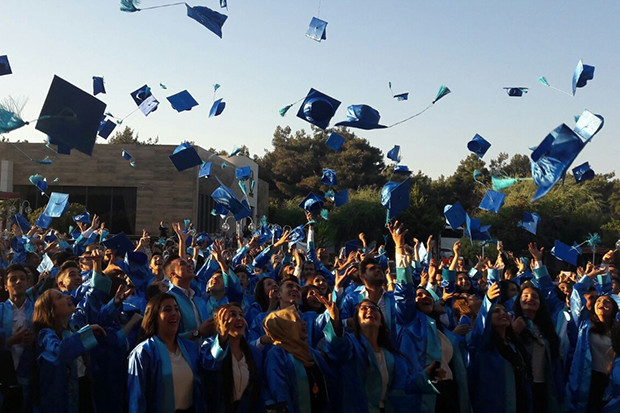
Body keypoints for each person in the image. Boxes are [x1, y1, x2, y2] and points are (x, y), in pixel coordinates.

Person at [318, 291, 439, 412]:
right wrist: (334, 319)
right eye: (364, 308)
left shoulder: (392, 355)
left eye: (374, 308)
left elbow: (402, 387)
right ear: (356, 320)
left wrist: (425, 377)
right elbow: (337, 348)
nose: (370, 310)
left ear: (381, 321)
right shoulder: (350, 345)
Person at [127, 293, 205, 413]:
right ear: (155, 316)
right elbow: (137, 399)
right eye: (167, 310)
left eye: (176, 309)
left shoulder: (190, 348)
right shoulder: (143, 353)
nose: (174, 313)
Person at [32, 289, 106, 413]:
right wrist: (86, 333)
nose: (67, 297)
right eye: (60, 297)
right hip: (61, 399)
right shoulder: (45, 335)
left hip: (83, 388)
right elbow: (59, 353)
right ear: (51, 309)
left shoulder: (74, 325)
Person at [468, 282, 533, 413]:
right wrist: (489, 300)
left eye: (504, 310)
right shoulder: (483, 346)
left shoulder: (513, 345)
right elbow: (481, 329)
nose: (503, 313)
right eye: (496, 311)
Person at [262, 306, 332, 413]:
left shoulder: (311, 353)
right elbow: (281, 396)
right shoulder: (277, 356)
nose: (304, 323)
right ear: (285, 327)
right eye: (297, 320)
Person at [201, 303, 262, 412]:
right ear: (219, 323)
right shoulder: (209, 346)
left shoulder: (253, 353)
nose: (239, 318)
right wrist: (222, 339)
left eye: (241, 315)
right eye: (232, 315)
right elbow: (210, 364)